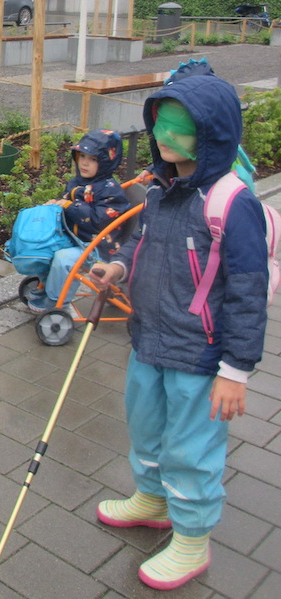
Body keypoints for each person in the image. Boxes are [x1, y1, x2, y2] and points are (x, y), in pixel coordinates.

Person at [90, 72, 268, 590]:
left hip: (201, 354)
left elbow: (247, 291)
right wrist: (118, 268)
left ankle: (192, 539)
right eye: (161, 126)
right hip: (148, 338)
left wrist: (236, 370)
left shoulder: (233, 203)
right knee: (145, 426)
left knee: (191, 448)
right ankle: (152, 498)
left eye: (181, 130)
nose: (166, 139)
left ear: (212, 134)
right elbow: (139, 244)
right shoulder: (157, 188)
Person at [26, 129, 129, 313]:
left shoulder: (110, 192)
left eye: (93, 159)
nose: (85, 163)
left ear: (106, 162)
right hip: (77, 238)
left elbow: (97, 221)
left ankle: (58, 301)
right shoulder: (78, 182)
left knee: (63, 259)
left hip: (98, 246)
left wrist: (68, 206)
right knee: (42, 250)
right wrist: (56, 205)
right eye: (82, 156)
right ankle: (49, 287)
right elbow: (68, 202)